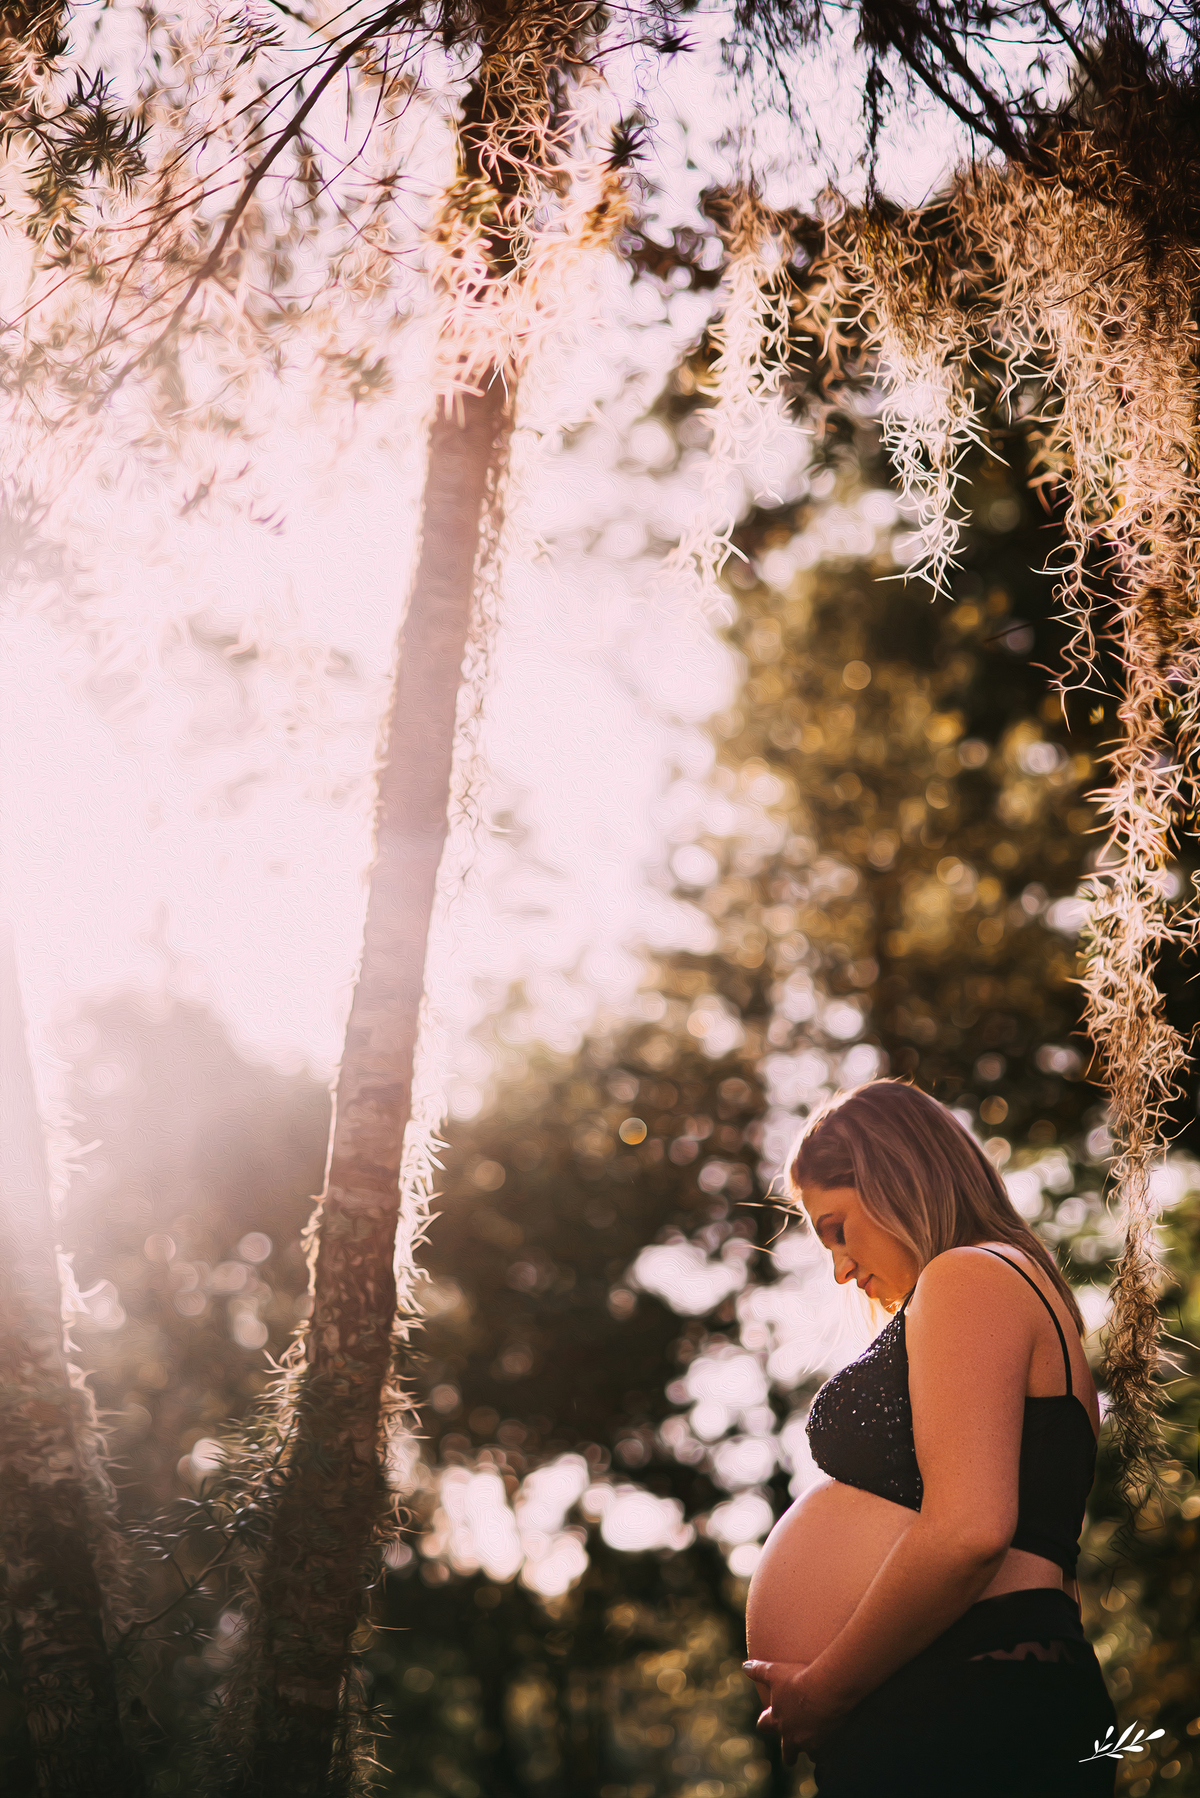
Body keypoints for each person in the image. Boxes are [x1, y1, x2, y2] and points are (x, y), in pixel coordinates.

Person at [742, 1079, 1118, 1796]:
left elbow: (969, 1532)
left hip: (968, 1699)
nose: (841, 1270)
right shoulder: (1007, 1286)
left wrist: (827, 1688)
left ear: (894, 1177)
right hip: (972, 1695)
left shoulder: (970, 1274)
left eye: (836, 1228)